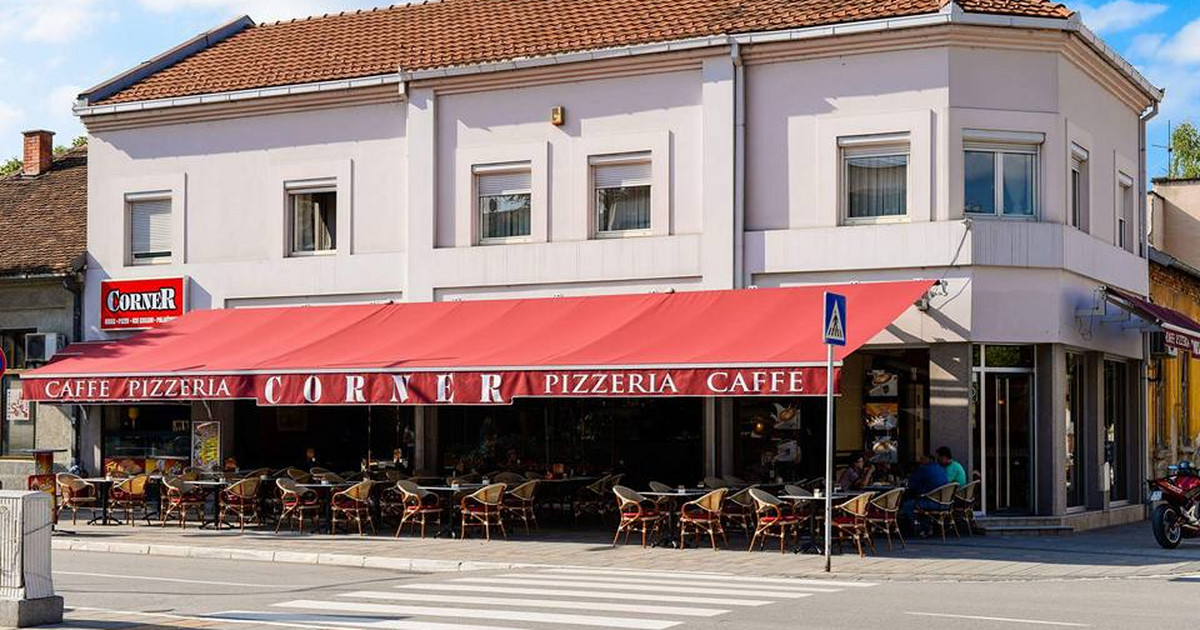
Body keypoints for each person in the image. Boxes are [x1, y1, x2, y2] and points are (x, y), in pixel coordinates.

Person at [900, 454, 950, 536]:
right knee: (920, 503)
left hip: (932, 502)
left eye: (922, 460)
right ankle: (927, 527)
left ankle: (920, 528)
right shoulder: (941, 469)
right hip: (945, 503)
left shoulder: (923, 469)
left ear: (927, 461)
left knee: (908, 505)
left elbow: (911, 485)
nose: (920, 462)